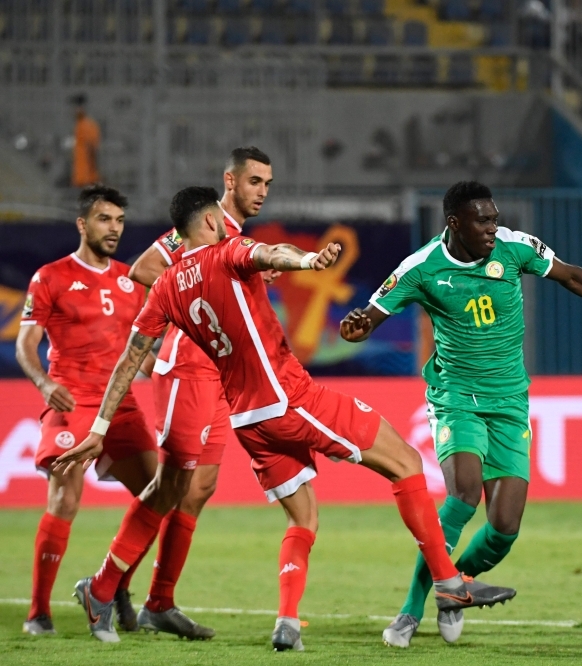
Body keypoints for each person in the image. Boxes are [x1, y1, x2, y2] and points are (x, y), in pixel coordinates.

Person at [54, 186, 516, 649]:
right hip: (289, 399)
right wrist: (310, 261)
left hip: (247, 420)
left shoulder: (167, 288)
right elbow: (273, 251)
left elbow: (130, 359)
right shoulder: (228, 252)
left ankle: (283, 624)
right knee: (406, 463)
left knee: (303, 515)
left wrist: (98, 428)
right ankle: (448, 583)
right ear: (212, 221)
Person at [340, 181, 582, 648]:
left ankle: (457, 586)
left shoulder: (514, 247)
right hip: (457, 396)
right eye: (483, 221)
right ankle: (410, 611)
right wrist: (358, 326)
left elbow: (572, 276)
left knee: (504, 528)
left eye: (494, 218)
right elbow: (370, 316)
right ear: (455, 223)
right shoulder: (421, 268)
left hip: (509, 401)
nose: (493, 228)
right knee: (463, 495)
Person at [115, 146, 275, 640]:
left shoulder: (237, 236)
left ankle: (159, 601)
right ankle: (111, 583)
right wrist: (191, 294)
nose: (262, 193)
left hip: (220, 372)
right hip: (188, 367)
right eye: (254, 182)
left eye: (267, 184)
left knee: (198, 490)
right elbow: (142, 269)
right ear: (230, 181)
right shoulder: (201, 224)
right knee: (172, 486)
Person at [17, 185, 158, 636]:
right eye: (104, 219)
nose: (114, 228)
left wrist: (173, 374)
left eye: (119, 221)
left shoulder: (131, 281)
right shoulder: (50, 277)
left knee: (159, 496)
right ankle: (38, 612)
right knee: (65, 500)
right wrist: (45, 383)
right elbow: (25, 343)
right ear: (82, 224)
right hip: (74, 400)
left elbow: (140, 354)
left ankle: (113, 587)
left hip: (121, 404)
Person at [71, 94, 101, 188]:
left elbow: (92, 151)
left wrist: (92, 173)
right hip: (80, 177)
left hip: (87, 178)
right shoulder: (79, 125)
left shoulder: (88, 125)